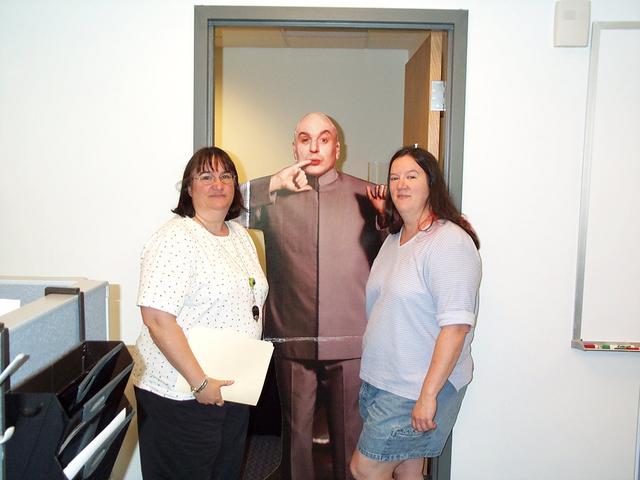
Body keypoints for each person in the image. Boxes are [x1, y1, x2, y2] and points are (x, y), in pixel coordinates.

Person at [241, 112, 386, 479]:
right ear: (294, 147)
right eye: (305, 139)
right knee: (295, 443)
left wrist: (388, 219)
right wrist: (273, 182)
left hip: (351, 338)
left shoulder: (369, 196)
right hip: (292, 336)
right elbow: (219, 206)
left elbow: (403, 247)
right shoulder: (273, 196)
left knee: (349, 441)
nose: (314, 147)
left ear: (338, 147)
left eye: (324, 139)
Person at [132, 147, 268, 479]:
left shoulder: (240, 236)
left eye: (226, 176)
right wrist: (200, 382)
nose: (217, 184)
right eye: (206, 176)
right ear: (189, 188)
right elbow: (157, 319)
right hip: (181, 393)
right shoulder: (175, 238)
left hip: (231, 389)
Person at [350, 146, 481, 480]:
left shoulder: (448, 242)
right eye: (395, 177)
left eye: (411, 176)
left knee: (365, 470)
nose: (401, 184)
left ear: (431, 184)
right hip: (382, 381)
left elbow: (456, 328)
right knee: (409, 471)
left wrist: (428, 395)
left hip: (415, 388)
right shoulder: (394, 240)